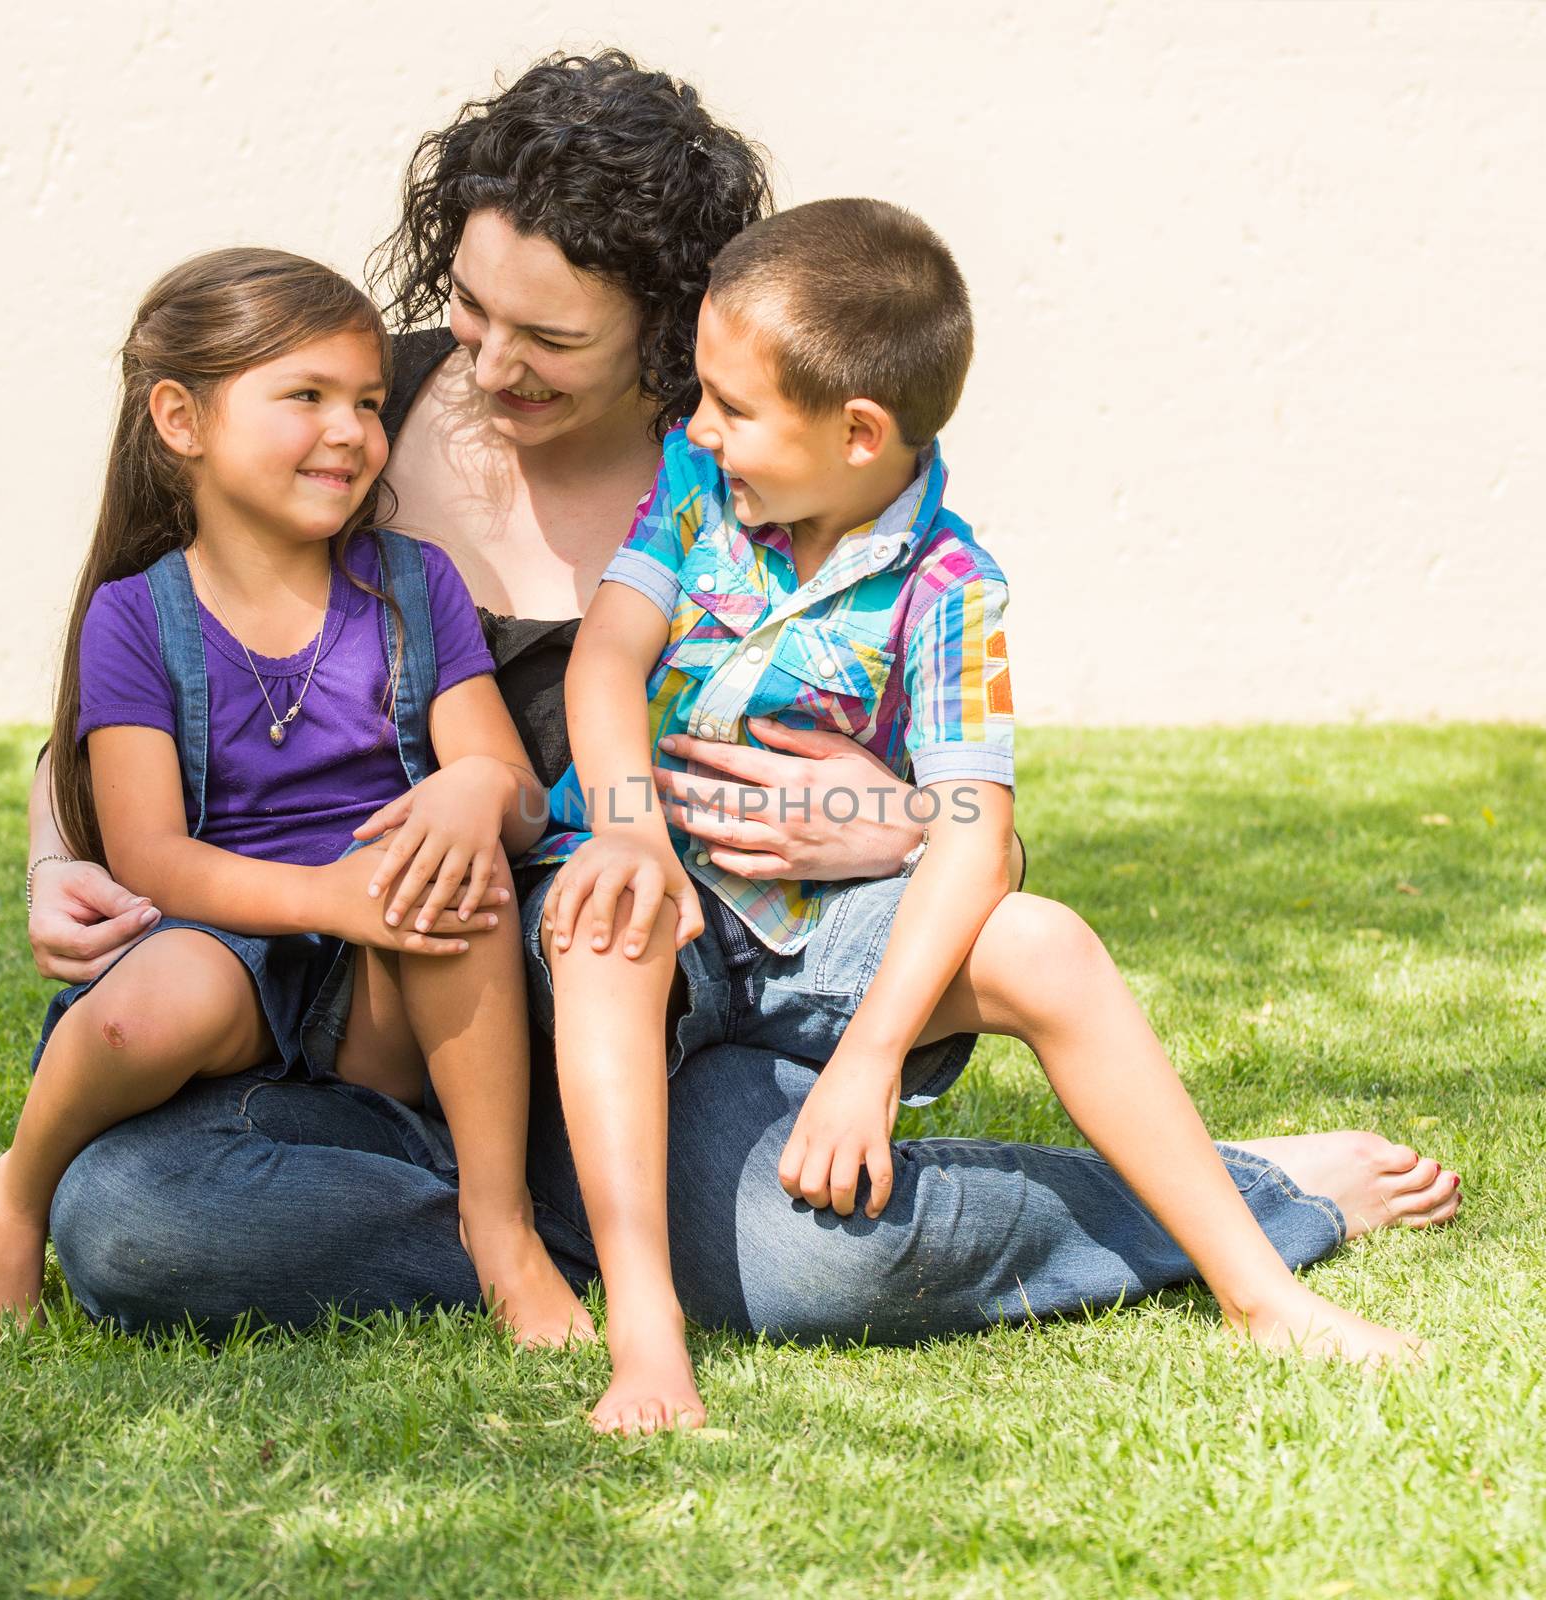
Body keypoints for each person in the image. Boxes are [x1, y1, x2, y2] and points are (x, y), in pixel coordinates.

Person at [19, 53, 1458, 1357]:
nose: (485, 361)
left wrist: (878, 816)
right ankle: (565, 1225)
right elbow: (142, 661)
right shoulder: (343, 413)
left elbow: (955, 802)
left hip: (654, 988)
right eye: (467, 304)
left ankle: (1225, 1195)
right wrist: (57, 849)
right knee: (136, 1225)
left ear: (670, 334)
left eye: (551, 340)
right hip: (367, 1012)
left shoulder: (753, 464)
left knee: (823, 1269)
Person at [530, 200, 1429, 1430]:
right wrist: (629, 830)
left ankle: (1260, 1291)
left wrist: (868, 1061)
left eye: (731, 408)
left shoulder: (954, 587)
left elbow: (970, 831)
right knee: (603, 928)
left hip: (814, 933)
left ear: (857, 433)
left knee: (1045, 939)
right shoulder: (693, 492)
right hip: (661, 912)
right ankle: (647, 1339)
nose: (696, 427)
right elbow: (603, 660)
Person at [0, 248, 588, 1348]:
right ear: (181, 420)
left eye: (369, 403)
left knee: (453, 886)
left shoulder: (414, 582)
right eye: (307, 397)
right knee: (152, 1007)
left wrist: (475, 789)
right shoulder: (136, 617)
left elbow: (514, 787)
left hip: (386, 979)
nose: (350, 429)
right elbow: (151, 855)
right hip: (220, 938)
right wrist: (325, 896)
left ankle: (501, 1227)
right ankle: (21, 1189)